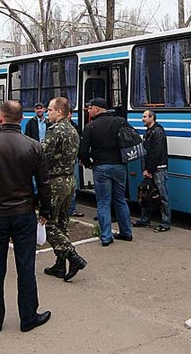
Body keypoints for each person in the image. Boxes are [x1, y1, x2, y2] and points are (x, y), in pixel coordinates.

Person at [0, 100, 52, 333]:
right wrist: (45, 212)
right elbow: (44, 184)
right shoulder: (34, 146)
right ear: (21, 119)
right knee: (26, 265)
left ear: (0, 118)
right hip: (24, 213)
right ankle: (28, 316)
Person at [41, 97, 86, 281]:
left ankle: (72, 256)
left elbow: (43, 154)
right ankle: (60, 265)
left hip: (55, 182)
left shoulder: (55, 130)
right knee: (62, 223)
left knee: (49, 223)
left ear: (59, 112)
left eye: (50, 110)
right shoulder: (73, 130)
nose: (47, 112)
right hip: (69, 180)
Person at [78, 97, 133, 246]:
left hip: (101, 166)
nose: (89, 110)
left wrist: (90, 163)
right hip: (120, 166)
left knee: (103, 202)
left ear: (97, 109)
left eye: (90, 108)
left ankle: (106, 237)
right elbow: (131, 139)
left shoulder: (90, 127)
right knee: (120, 199)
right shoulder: (120, 121)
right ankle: (126, 232)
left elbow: (82, 151)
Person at [132, 110, 171, 232]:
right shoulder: (149, 132)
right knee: (147, 195)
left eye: (144, 117)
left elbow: (157, 154)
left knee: (163, 197)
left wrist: (149, 169)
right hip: (151, 170)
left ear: (152, 117)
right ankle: (145, 220)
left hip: (158, 169)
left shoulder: (158, 132)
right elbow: (145, 153)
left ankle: (165, 223)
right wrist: (144, 169)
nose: (142, 119)